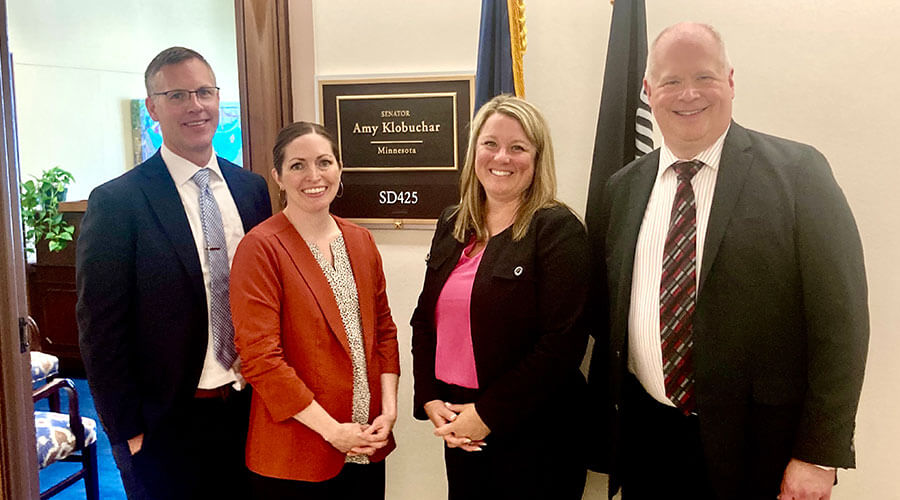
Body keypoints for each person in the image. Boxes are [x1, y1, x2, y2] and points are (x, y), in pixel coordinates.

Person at [588, 22, 869, 500]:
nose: (688, 94)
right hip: (648, 442)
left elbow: (842, 326)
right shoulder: (622, 189)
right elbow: (606, 310)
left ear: (731, 81)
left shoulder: (799, 174)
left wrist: (818, 454)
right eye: (672, 81)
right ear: (648, 90)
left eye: (705, 77)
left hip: (762, 453)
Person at [76, 47, 271, 499]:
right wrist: (127, 433)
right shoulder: (117, 202)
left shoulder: (251, 189)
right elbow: (100, 329)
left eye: (204, 92)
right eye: (178, 95)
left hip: (250, 410)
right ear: (153, 107)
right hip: (166, 425)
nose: (195, 106)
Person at [411, 95, 590, 499]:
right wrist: (431, 398)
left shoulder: (558, 231)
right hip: (459, 422)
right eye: (490, 143)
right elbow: (424, 319)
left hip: (537, 432)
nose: (502, 157)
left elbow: (561, 345)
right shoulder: (453, 223)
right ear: (475, 149)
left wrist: (488, 415)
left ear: (537, 158)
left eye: (518, 147)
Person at [228, 121, 400, 499]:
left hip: (366, 444)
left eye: (324, 162)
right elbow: (261, 359)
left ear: (340, 169)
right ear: (277, 177)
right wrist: (332, 431)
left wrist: (387, 412)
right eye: (297, 165)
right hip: (296, 453)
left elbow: (384, 332)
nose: (314, 176)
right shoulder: (261, 248)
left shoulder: (360, 240)